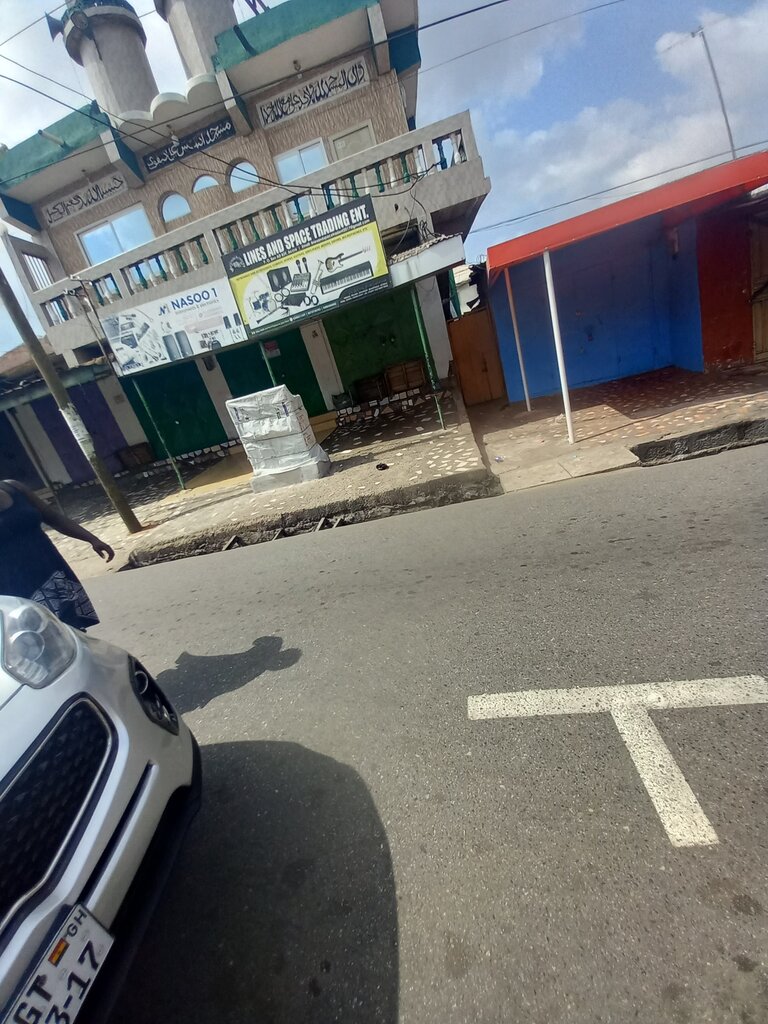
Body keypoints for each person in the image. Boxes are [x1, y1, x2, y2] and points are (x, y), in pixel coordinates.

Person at [0, 479, 114, 630]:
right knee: (35, 635)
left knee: (72, 631)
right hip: (12, 588)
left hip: (50, 573)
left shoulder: (15, 487)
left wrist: (92, 539)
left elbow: (54, 518)